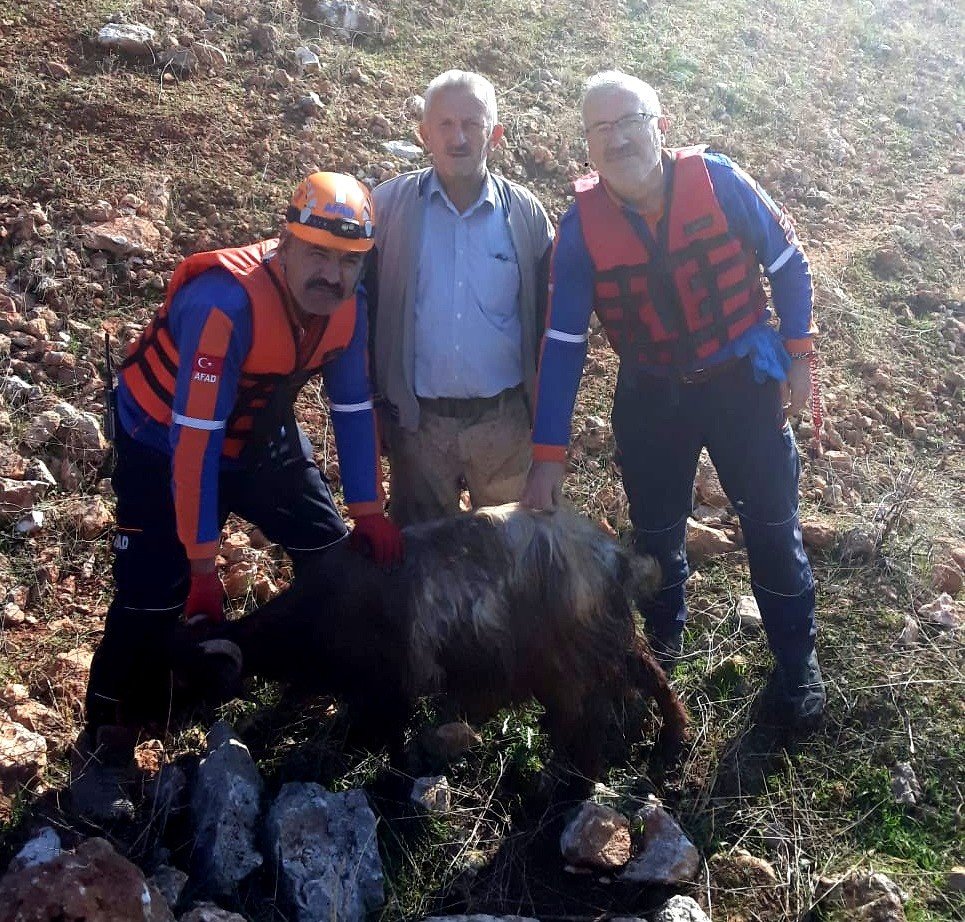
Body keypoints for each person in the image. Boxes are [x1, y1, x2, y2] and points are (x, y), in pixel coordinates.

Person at [72, 172, 403, 818]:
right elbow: (192, 444)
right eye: (317, 254)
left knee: (334, 558)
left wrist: (368, 509)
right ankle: (106, 741)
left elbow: (353, 407)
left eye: (348, 262)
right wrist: (202, 564)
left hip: (256, 438)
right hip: (161, 440)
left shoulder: (347, 309)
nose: (332, 276)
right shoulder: (224, 304)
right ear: (283, 243)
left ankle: (310, 673)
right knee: (150, 594)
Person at [522, 71, 825, 732]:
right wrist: (548, 453)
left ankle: (796, 667)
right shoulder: (580, 230)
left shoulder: (718, 182)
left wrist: (799, 354)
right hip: (651, 392)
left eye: (628, 120)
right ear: (587, 144)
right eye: (599, 128)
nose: (616, 137)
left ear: (659, 125)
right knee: (655, 535)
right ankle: (661, 653)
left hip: (740, 380)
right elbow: (564, 343)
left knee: (771, 526)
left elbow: (787, 262)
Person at [367, 69, 555, 525]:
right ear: (423, 133)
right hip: (418, 428)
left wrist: (547, 426)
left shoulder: (525, 215)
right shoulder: (387, 208)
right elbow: (361, 312)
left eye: (472, 124)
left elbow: (554, 323)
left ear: (496, 134)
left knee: (514, 557)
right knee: (426, 561)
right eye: (445, 125)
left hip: (504, 425)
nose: (458, 138)